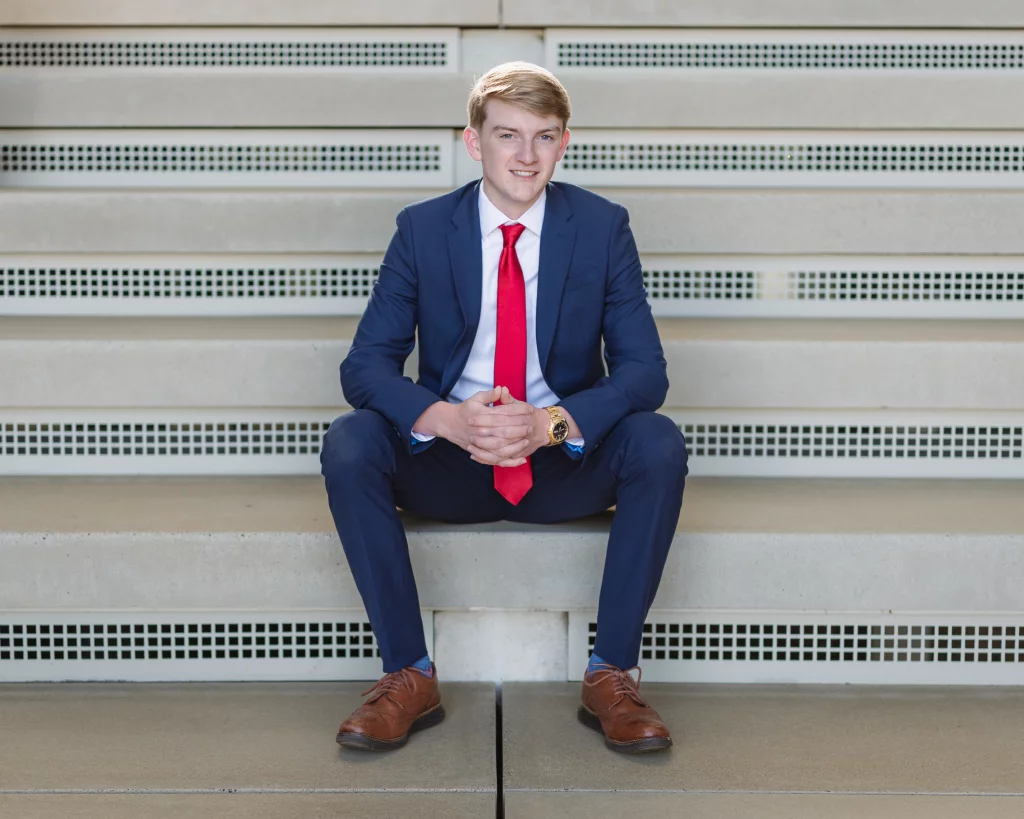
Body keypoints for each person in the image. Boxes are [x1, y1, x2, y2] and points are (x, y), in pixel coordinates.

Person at [320, 61, 688, 755]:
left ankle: (612, 672)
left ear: (564, 144)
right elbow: (364, 366)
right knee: (352, 441)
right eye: (507, 136)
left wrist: (552, 424)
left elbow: (645, 372)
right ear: (473, 142)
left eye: (543, 137)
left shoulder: (603, 227)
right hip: (453, 460)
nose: (525, 156)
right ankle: (407, 671)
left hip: (558, 462)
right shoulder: (424, 230)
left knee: (657, 441)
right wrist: (449, 419)